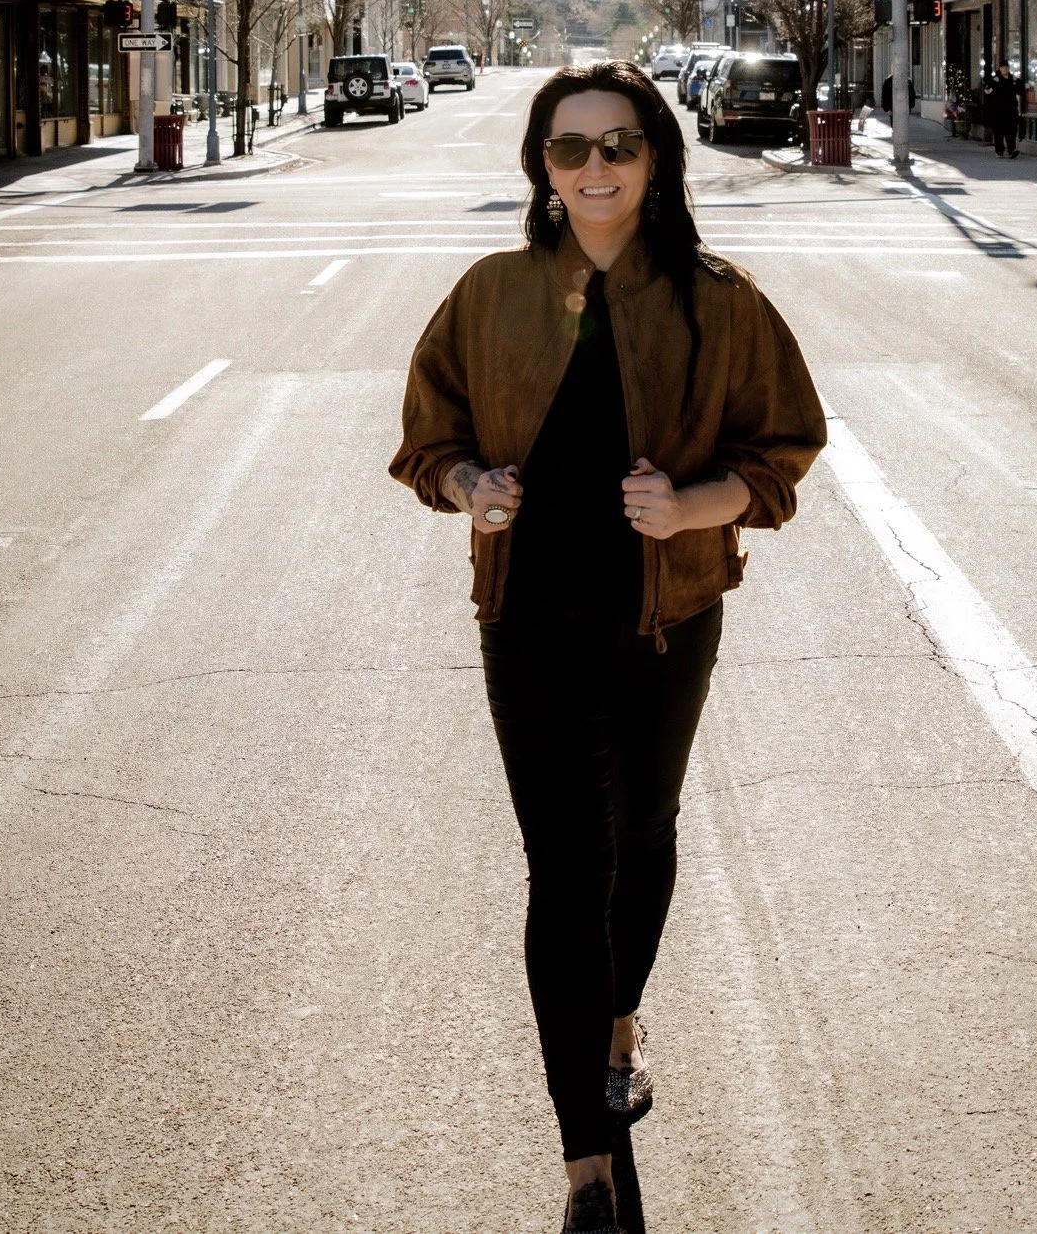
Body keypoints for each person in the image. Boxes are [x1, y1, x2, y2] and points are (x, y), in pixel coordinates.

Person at [390, 61, 827, 1234]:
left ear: (656, 160)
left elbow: (783, 451)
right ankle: (588, 1162)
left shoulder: (717, 300)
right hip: (526, 620)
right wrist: (469, 485)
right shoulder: (490, 294)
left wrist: (690, 508)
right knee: (564, 869)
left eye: (619, 145)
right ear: (542, 164)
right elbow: (427, 436)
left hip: (665, 619)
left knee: (642, 834)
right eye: (571, 147)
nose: (595, 168)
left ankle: (619, 1020)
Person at [985, 60, 1024, 158]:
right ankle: (999, 151)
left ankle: (1011, 150)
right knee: (999, 132)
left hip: (1011, 109)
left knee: (1011, 131)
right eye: (1003, 67)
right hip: (998, 110)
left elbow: (1020, 90)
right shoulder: (995, 80)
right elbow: (987, 91)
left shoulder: (1013, 79)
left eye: (1006, 67)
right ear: (1000, 69)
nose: (1005, 69)